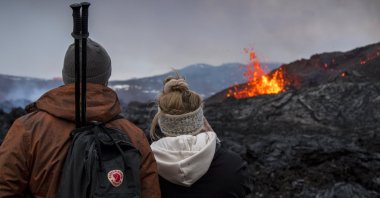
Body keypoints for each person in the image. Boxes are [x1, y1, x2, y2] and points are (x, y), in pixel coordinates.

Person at [0, 39, 161, 198]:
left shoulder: (28, 129)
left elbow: (4, 188)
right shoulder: (134, 136)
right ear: (106, 78)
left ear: (65, 77)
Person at [150, 75, 251, 198]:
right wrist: (217, 145)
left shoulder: (145, 168)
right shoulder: (233, 166)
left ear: (162, 124)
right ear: (202, 121)